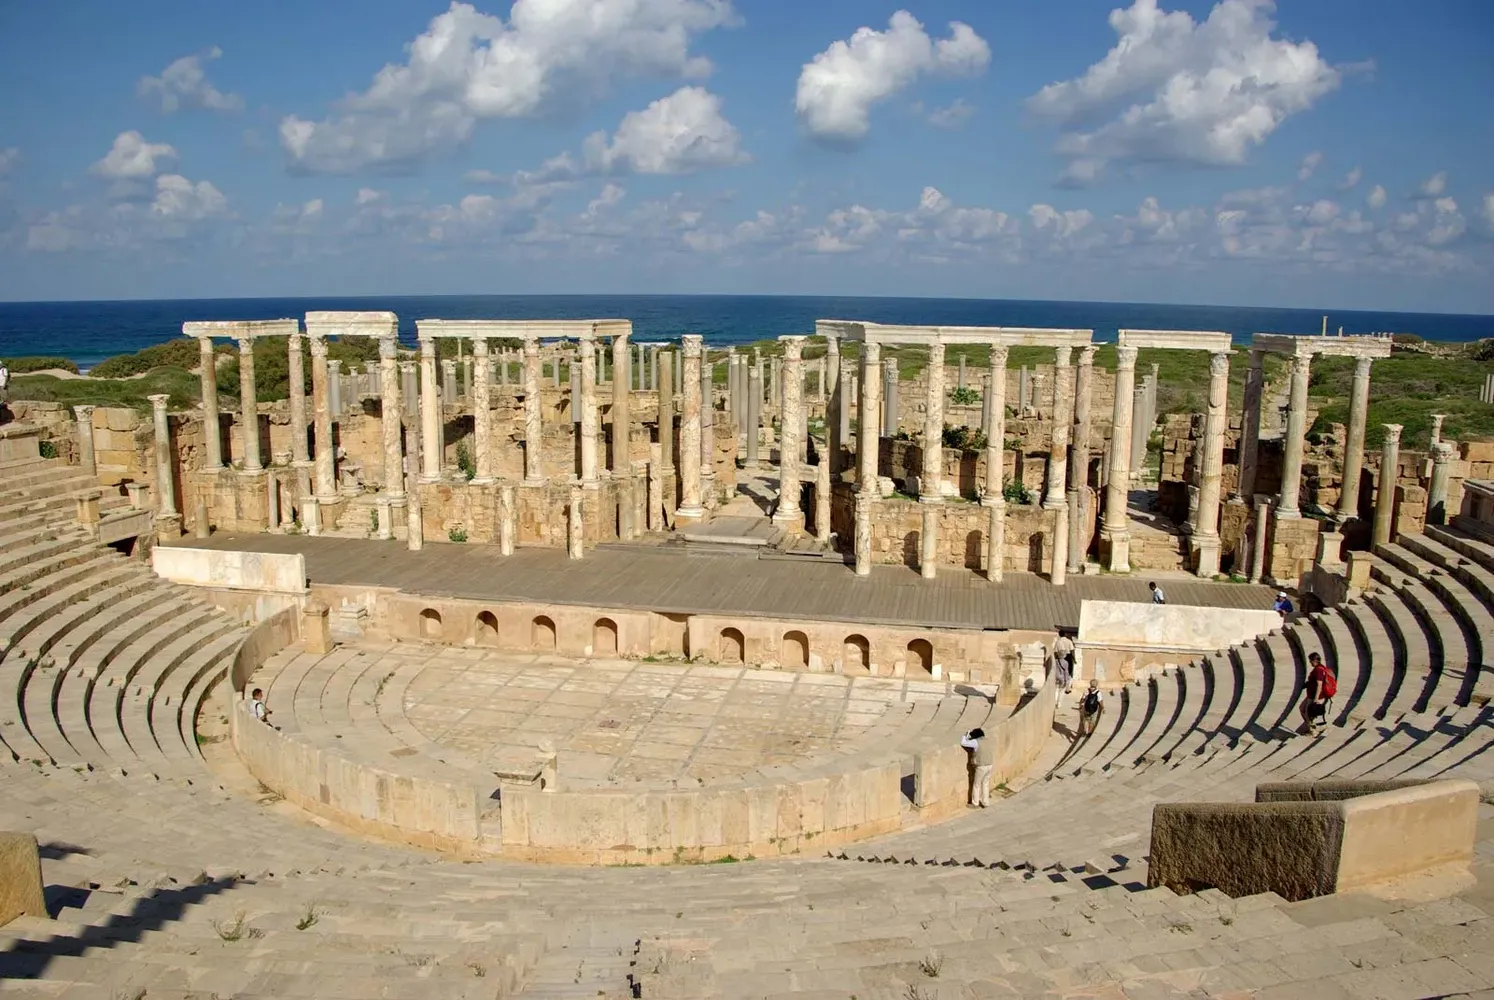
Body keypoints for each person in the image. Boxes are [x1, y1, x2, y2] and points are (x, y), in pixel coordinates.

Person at [1298, 652, 1336, 734]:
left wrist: (1316, 698)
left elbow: (1319, 684)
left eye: (1311, 661)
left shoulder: (1318, 670)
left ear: (1315, 660)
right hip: (1311, 694)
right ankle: (1311, 726)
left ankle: (1313, 731)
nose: (1310, 662)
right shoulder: (1321, 668)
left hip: (1314, 695)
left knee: (1307, 713)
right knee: (1302, 708)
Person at [960, 727, 994, 808]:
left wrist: (965, 735)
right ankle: (986, 803)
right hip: (990, 764)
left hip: (981, 766)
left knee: (976, 785)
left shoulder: (976, 742)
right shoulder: (987, 740)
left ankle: (975, 803)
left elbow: (963, 743)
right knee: (985, 784)